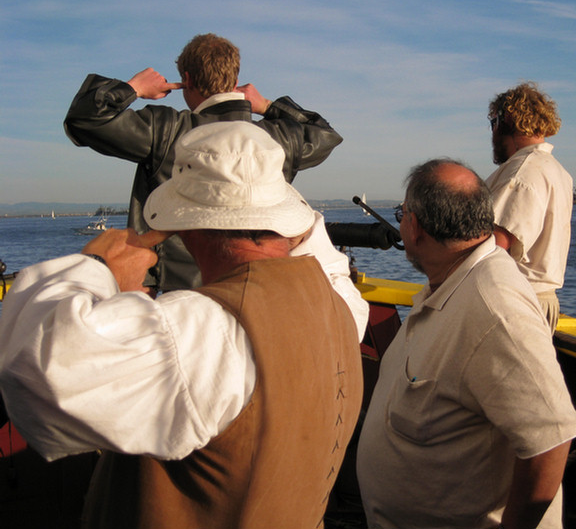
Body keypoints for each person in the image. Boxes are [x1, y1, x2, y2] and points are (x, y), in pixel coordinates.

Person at [0, 122, 363, 528]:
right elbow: (324, 257)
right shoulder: (342, 304)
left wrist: (97, 268)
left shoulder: (205, 331)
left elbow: (36, 375)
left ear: (185, 230)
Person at [356, 159, 576, 529]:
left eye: (402, 213)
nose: (400, 221)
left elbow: (551, 437)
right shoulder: (451, 283)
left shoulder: (494, 309)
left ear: (416, 228)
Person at [64, 32, 343, 293]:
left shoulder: (166, 129)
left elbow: (86, 119)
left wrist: (134, 87)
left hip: (179, 289)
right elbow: (325, 134)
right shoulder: (274, 137)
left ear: (186, 79)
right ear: (235, 78)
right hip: (259, 286)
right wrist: (267, 106)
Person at [485, 81, 573, 332]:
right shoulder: (557, 171)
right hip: (541, 302)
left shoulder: (522, 172)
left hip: (516, 303)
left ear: (507, 120)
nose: (491, 134)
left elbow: (493, 246)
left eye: (493, 123)